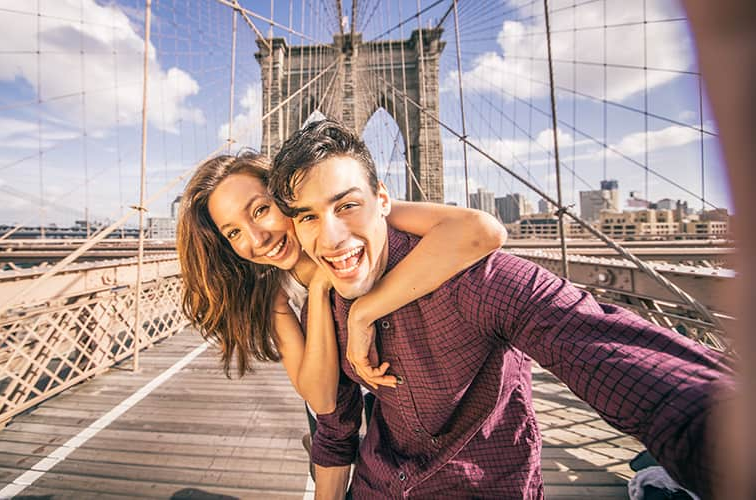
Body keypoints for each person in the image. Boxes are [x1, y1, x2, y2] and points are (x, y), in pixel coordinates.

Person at [267, 119, 735, 499]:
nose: (329, 238)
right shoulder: (327, 303)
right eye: (307, 216)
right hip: (379, 487)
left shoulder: (472, 279)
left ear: (384, 200)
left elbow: (606, 349)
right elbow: (334, 430)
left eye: (347, 205)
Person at [175, 152, 506, 455]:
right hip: (339, 423)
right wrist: (319, 289)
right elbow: (320, 398)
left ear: (284, 197)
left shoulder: (360, 216)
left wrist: (363, 312)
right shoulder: (274, 292)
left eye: (261, 210)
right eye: (233, 233)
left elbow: (483, 231)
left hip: (416, 396)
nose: (256, 239)